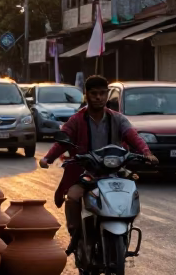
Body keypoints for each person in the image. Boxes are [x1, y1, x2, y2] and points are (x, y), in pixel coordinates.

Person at [39, 74, 156, 251]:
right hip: (87, 173)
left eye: (103, 93)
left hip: (115, 171)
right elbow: (63, 141)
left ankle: (124, 230)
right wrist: (48, 158)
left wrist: (147, 153)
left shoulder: (117, 118)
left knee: (131, 194)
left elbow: (133, 136)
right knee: (73, 196)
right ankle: (76, 234)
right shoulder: (77, 119)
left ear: (108, 94)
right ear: (86, 95)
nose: (99, 97)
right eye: (94, 94)